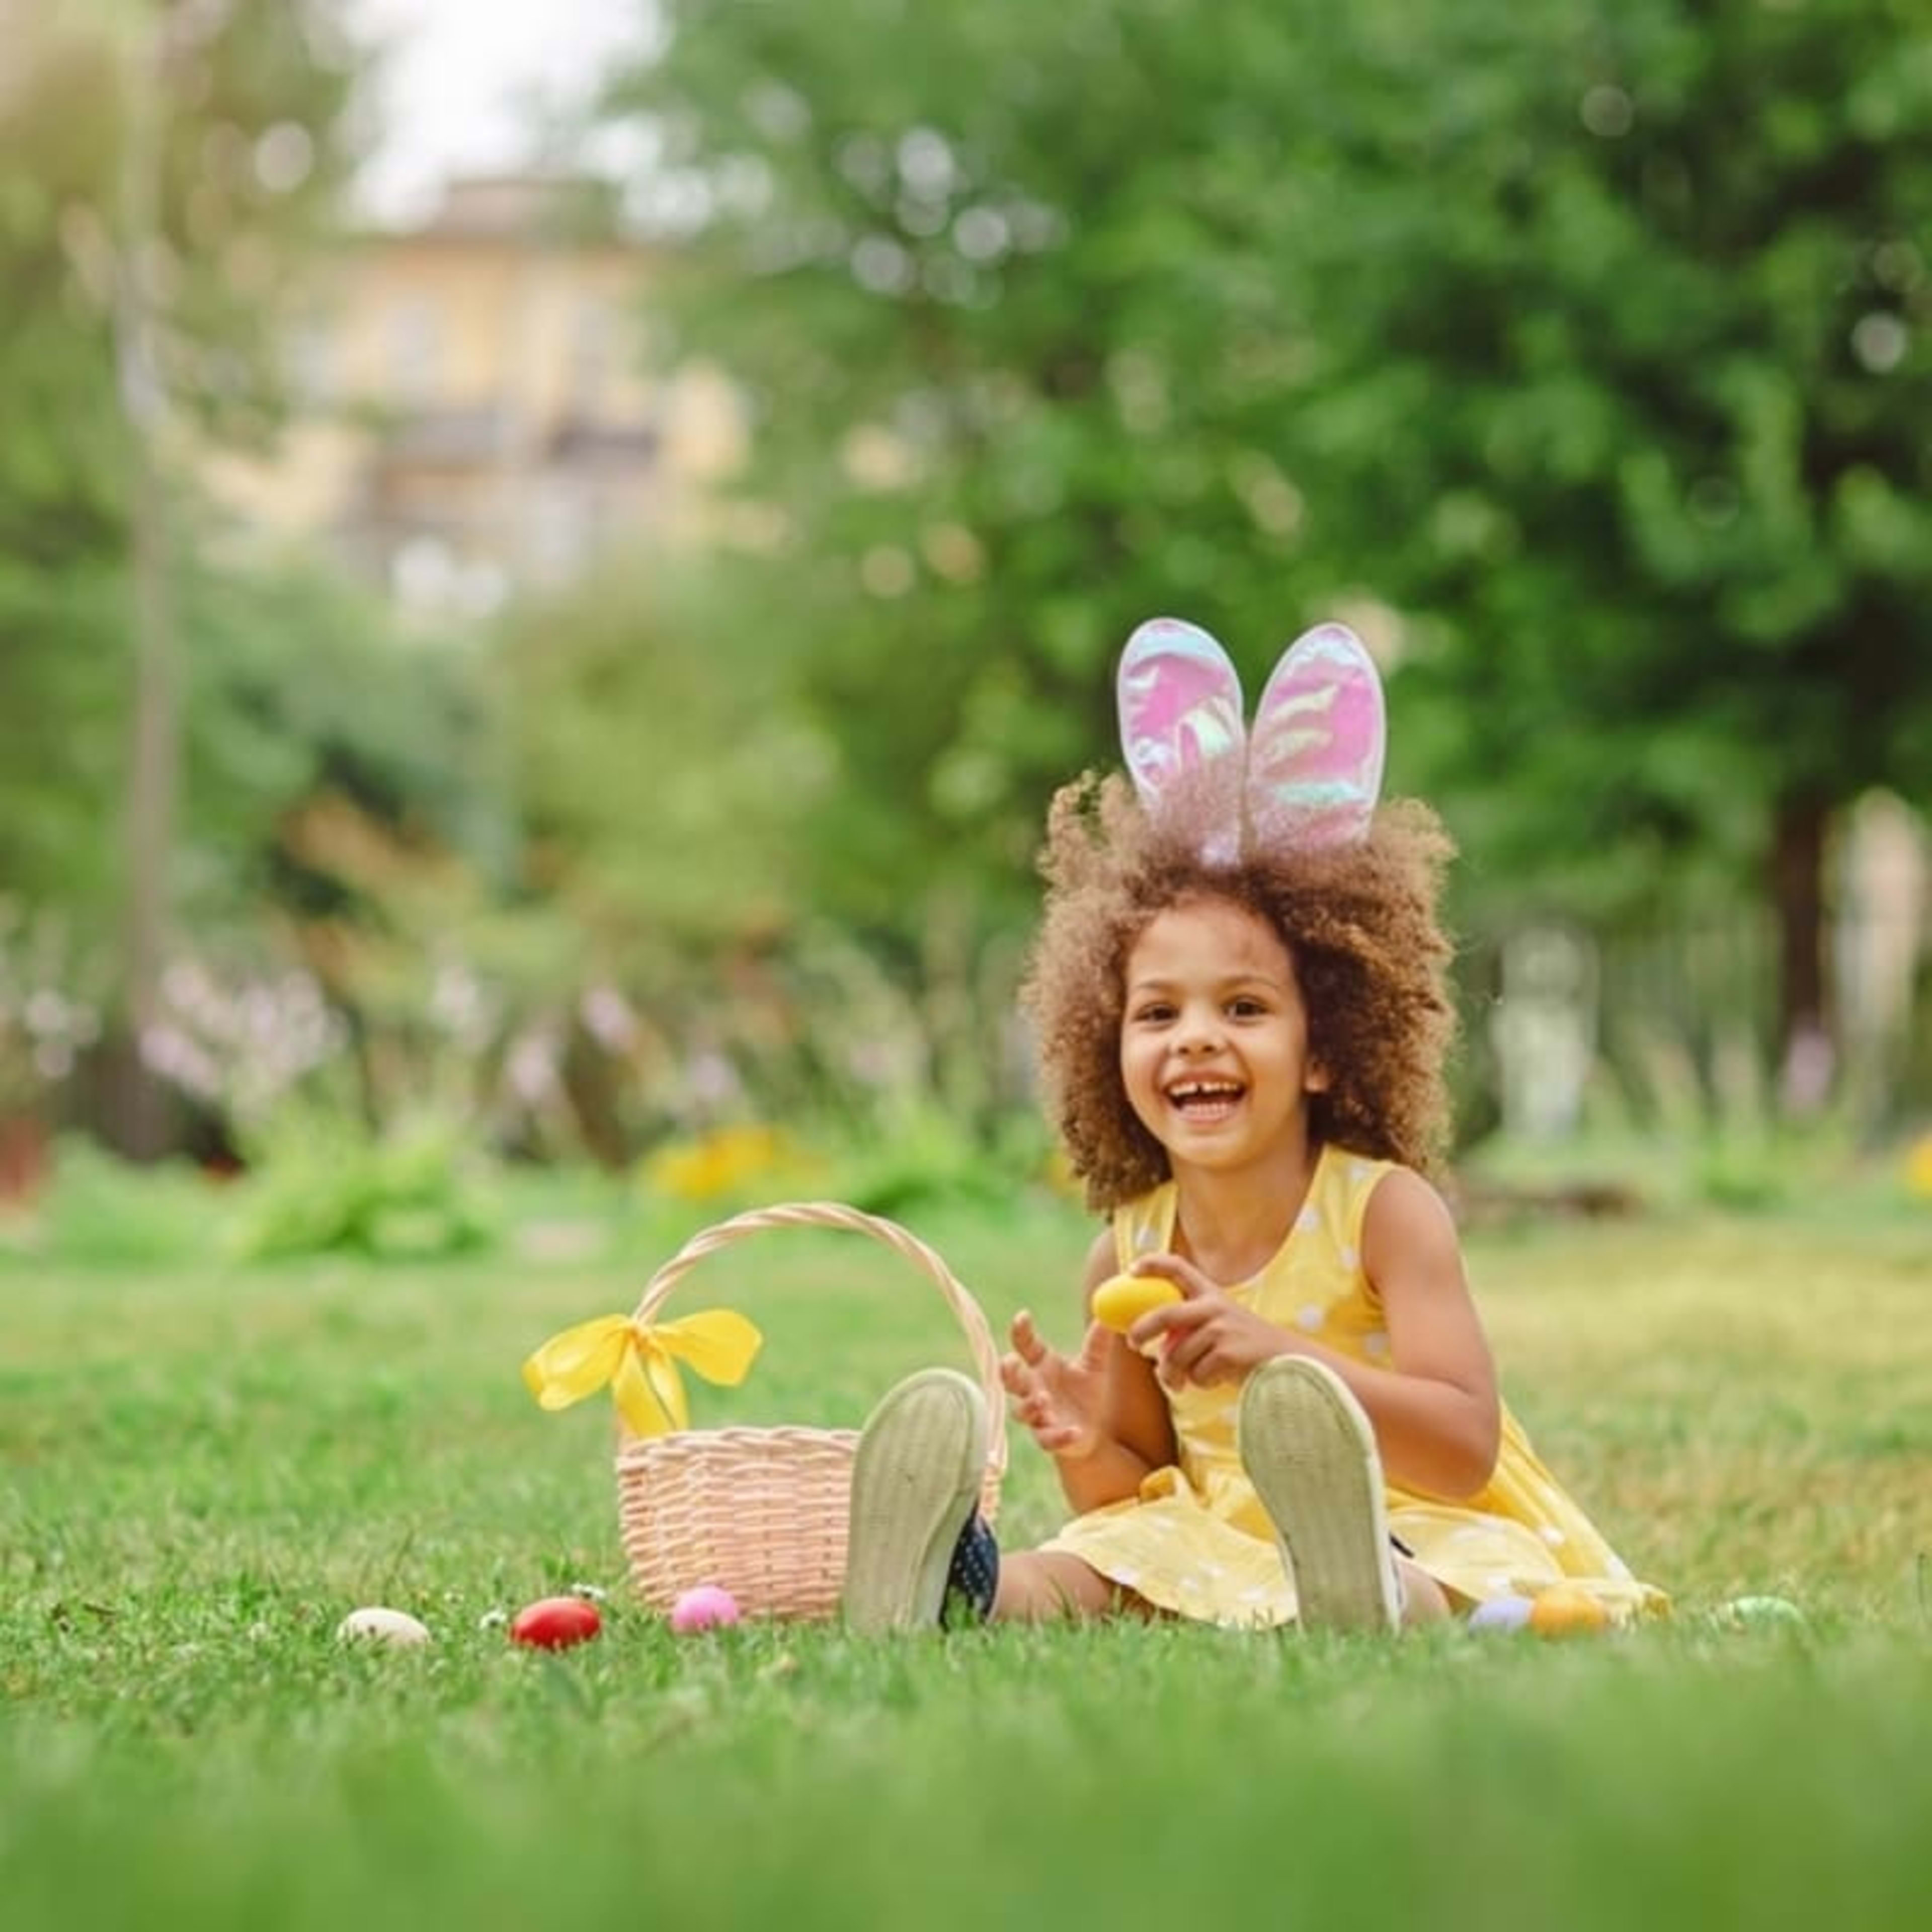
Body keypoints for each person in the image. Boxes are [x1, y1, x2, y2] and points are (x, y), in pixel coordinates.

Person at [840, 617, 1666, 1635]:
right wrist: (1077, 1436)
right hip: (1219, 1536)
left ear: (1325, 1048)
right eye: (1158, 1014)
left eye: (1242, 1009)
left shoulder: (1384, 1214)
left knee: (1430, 1570)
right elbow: (1130, 1493)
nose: (1194, 1040)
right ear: (1110, 1050)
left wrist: (1272, 1353)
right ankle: (955, 1585)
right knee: (1094, 1563)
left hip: (1410, 1514)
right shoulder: (1129, 1252)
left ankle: (1362, 1585)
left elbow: (1464, 1447)